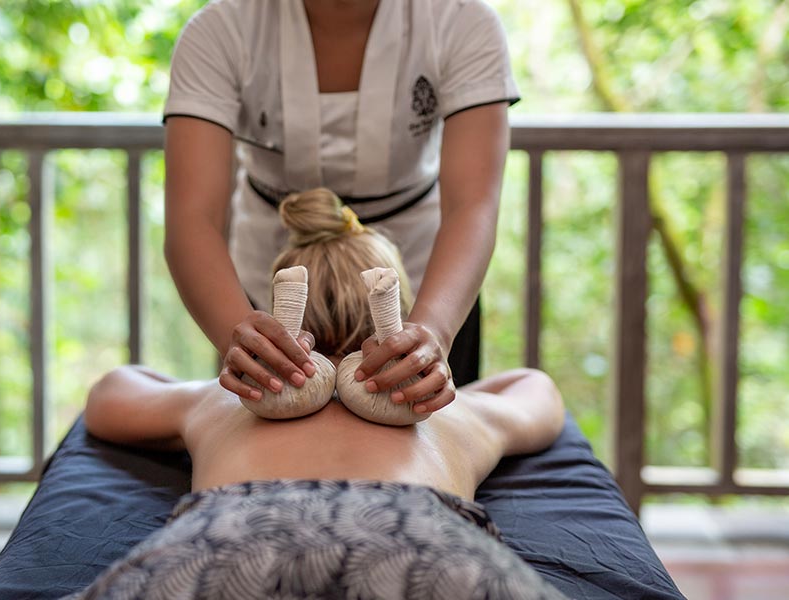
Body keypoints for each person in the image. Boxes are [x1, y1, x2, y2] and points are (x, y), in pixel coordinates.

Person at [73, 190, 566, 599]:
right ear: (401, 316)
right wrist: (443, 374)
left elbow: (110, 395)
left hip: (235, 533)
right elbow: (536, 388)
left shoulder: (223, 401)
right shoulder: (441, 410)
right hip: (421, 538)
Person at [162, 0, 520, 415]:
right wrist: (238, 335)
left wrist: (433, 331)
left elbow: (472, 207)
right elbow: (193, 220)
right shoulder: (219, 30)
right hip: (264, 301)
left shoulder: (462, 21)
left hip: (428, 289)